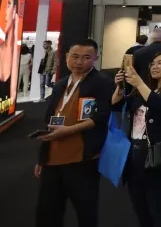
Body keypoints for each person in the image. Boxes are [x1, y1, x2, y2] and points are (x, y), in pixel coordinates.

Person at [34, 39, 113, 227]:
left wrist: (68, 131)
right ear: (66, 57)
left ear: (95, 58)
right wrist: (42, 158)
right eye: (75, 56)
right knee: (47, 212)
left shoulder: (102, 83)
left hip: (82, 158)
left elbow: (101, 117)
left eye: (86, 57)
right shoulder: (60, 84)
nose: (79, 62)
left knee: (86, 212)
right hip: (52, 159)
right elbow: (50, 119)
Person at [113, 51, 161, 227]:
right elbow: (117, 105)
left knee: (157, 206)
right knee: (139, 204)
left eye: (160, 63)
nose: (154, 67)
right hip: (133, 152)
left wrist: (138, 83)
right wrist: (120, 87)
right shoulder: (146, 88)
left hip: (156, 153)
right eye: (152, 64)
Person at [0, 0, 19, 114]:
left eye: (9, 4)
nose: (5, 12)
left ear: (14, 9)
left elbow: (12, 98)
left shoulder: (15, 54)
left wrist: (16, 32)